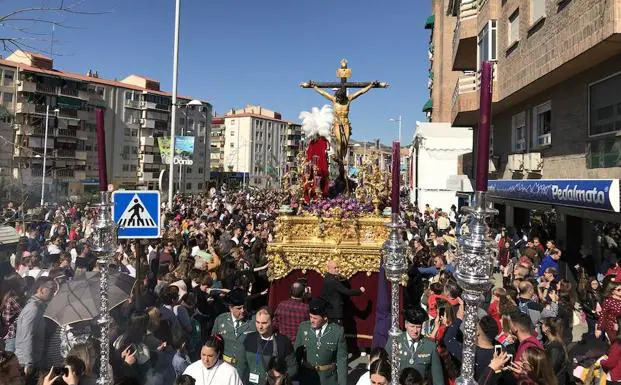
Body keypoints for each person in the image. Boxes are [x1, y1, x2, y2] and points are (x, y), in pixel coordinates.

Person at [236, 307, 297, 385]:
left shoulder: (283, 342)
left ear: (272, 322)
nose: (260, 326)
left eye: (264, 323)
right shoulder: (248, 339)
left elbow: (293, 367)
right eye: (257, 322)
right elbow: (241, 367)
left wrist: (282, 378)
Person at [294, 298, 347, 385]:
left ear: (325, 317)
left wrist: (342, 383)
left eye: (315, 318)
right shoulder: (303, 327)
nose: (311, 320)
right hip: (307, 377)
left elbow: (342, 360)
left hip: (328, 379)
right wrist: (295, 378)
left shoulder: (337, 331)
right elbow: (297, 355)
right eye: (310, 317)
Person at [385, 307, 443, 385]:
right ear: (405, 324)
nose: (415, 331)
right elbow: (384, 367)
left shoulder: (430, 346)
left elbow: (438, 378)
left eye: (418, 327)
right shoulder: (395, 340)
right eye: (412, 326)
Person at [15, 277, 56, 378]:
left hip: (36, 359)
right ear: (41, 290)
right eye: (51, 289)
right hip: (28, 361)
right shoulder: (33, 309)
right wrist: (29, 363)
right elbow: (27, 336)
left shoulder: (40, 307)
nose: (53, 292)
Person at [212, 288, 256, 367]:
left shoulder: (254, 321)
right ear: (231, 308)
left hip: (245, 368)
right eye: (239, 308)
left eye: (244, 307)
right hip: (224, 367)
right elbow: (214, 344)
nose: (243, 310)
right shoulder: (221, 320)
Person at [321, 260, 365, 325]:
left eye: (338, 267)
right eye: (335, 268)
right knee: (337, 332)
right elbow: (346, 291)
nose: (337, 270)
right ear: (329, 268)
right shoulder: (333, 280)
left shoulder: (326, 278)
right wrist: (360, 291)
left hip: (329, 311)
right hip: (335, 313)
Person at [273, 279, 310, 344]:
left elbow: (275, 324)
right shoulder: (306, 308)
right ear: (304, 293)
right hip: (299, 344)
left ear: (290, 292)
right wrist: (308, 299)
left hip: (283, 343)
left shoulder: (281, 305)